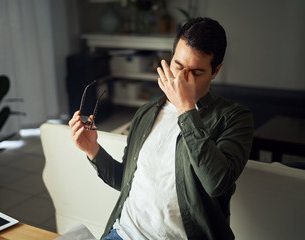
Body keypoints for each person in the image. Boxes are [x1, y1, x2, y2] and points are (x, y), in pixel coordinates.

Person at [69, 17, 254, 240]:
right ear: (171, 58)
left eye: (196, 72)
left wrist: (186, 110)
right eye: (178, 66)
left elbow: (217, 183)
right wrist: (93, 150)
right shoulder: (146, 113)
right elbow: (124, 181)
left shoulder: (234, 118)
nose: (182, 79)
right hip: (124, 233)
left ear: (215, 71)